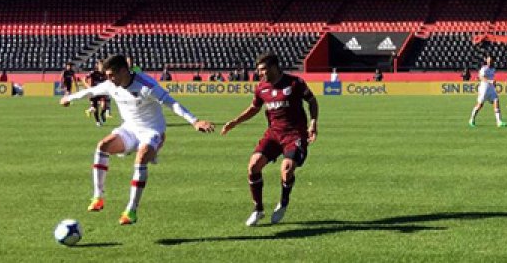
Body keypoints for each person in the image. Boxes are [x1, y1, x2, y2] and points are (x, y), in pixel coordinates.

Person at [59, 54, 214, 225]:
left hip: (152, 130)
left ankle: (131, 210)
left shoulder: (147, 85)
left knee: (141, 158)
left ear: (124, 71)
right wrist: (69, 98)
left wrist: (194, 121)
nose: (109, 80)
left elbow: (171, 103)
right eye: (107, 76)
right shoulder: (111, 85)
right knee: (102, 146)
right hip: (130, 129)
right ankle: (98, 197)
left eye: (112, 75)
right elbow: (91, 91)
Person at [220, 52, 319, 227]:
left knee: (287, 169)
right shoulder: (261, 88)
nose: (260, 73)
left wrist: (313, 123)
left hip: (295, 134)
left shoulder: (295, 83)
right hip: (273, 134)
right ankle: (258, 209)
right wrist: (234, 122)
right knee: (253, 165)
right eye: (258, 70)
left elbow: (312, 101)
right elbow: (253, 108)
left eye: (263, 69)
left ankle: (283, 202)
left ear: (274, 67)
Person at [469, 56, 507, 128]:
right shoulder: (484, 68)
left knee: (496, 101)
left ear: (493, 61)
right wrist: (489, 81)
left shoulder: (493, 69)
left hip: (491, 89)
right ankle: (472, 119)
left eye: (491, 61)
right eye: (488, 60)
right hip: (484, 89)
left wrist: (493, 84)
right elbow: (481, 77)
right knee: (480, 105)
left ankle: (499, 122)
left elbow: (486, 78)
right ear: (486, 61)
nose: (489, 62)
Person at [86, 62, 110, 126]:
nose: (102, 67)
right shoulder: (93, 73)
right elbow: (84, 79)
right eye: (100, 65)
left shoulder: (106, 73)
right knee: (95, 108)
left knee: (104, 105)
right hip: (94, 93)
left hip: (102, 93)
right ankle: (97, 121)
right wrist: (88, 87)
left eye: (103, 65)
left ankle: (102, 114)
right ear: (98, 66)